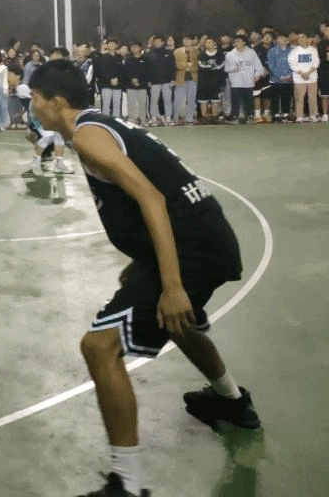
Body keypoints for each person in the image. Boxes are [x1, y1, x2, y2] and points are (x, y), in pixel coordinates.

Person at [27, 60, 259, 497]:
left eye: (35, 99)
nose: (32, 107)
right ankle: (232, 402)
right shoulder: (98, 127)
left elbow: (151, 197)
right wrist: (150, 265)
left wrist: (172, 284)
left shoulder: (90, 137)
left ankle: (127, 486)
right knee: (176, 321)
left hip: (194, 249)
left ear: (56, 103)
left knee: (99, 347)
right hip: (205, 237)